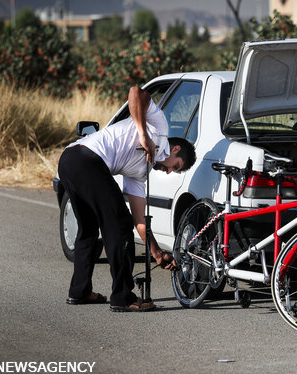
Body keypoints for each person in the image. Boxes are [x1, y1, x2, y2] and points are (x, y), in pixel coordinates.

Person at [58, 86, 196, 312]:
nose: (169, 172)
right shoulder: (159, 126)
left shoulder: (140, 173)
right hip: (84, 158)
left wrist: (156, 252)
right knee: (119, 226)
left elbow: (140, 220)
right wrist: (143, 134)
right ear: (175, 149)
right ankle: (122, 297)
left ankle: (79, 291)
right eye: (176, 167)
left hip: (70, 161)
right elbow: (135, 92)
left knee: (89, 229)